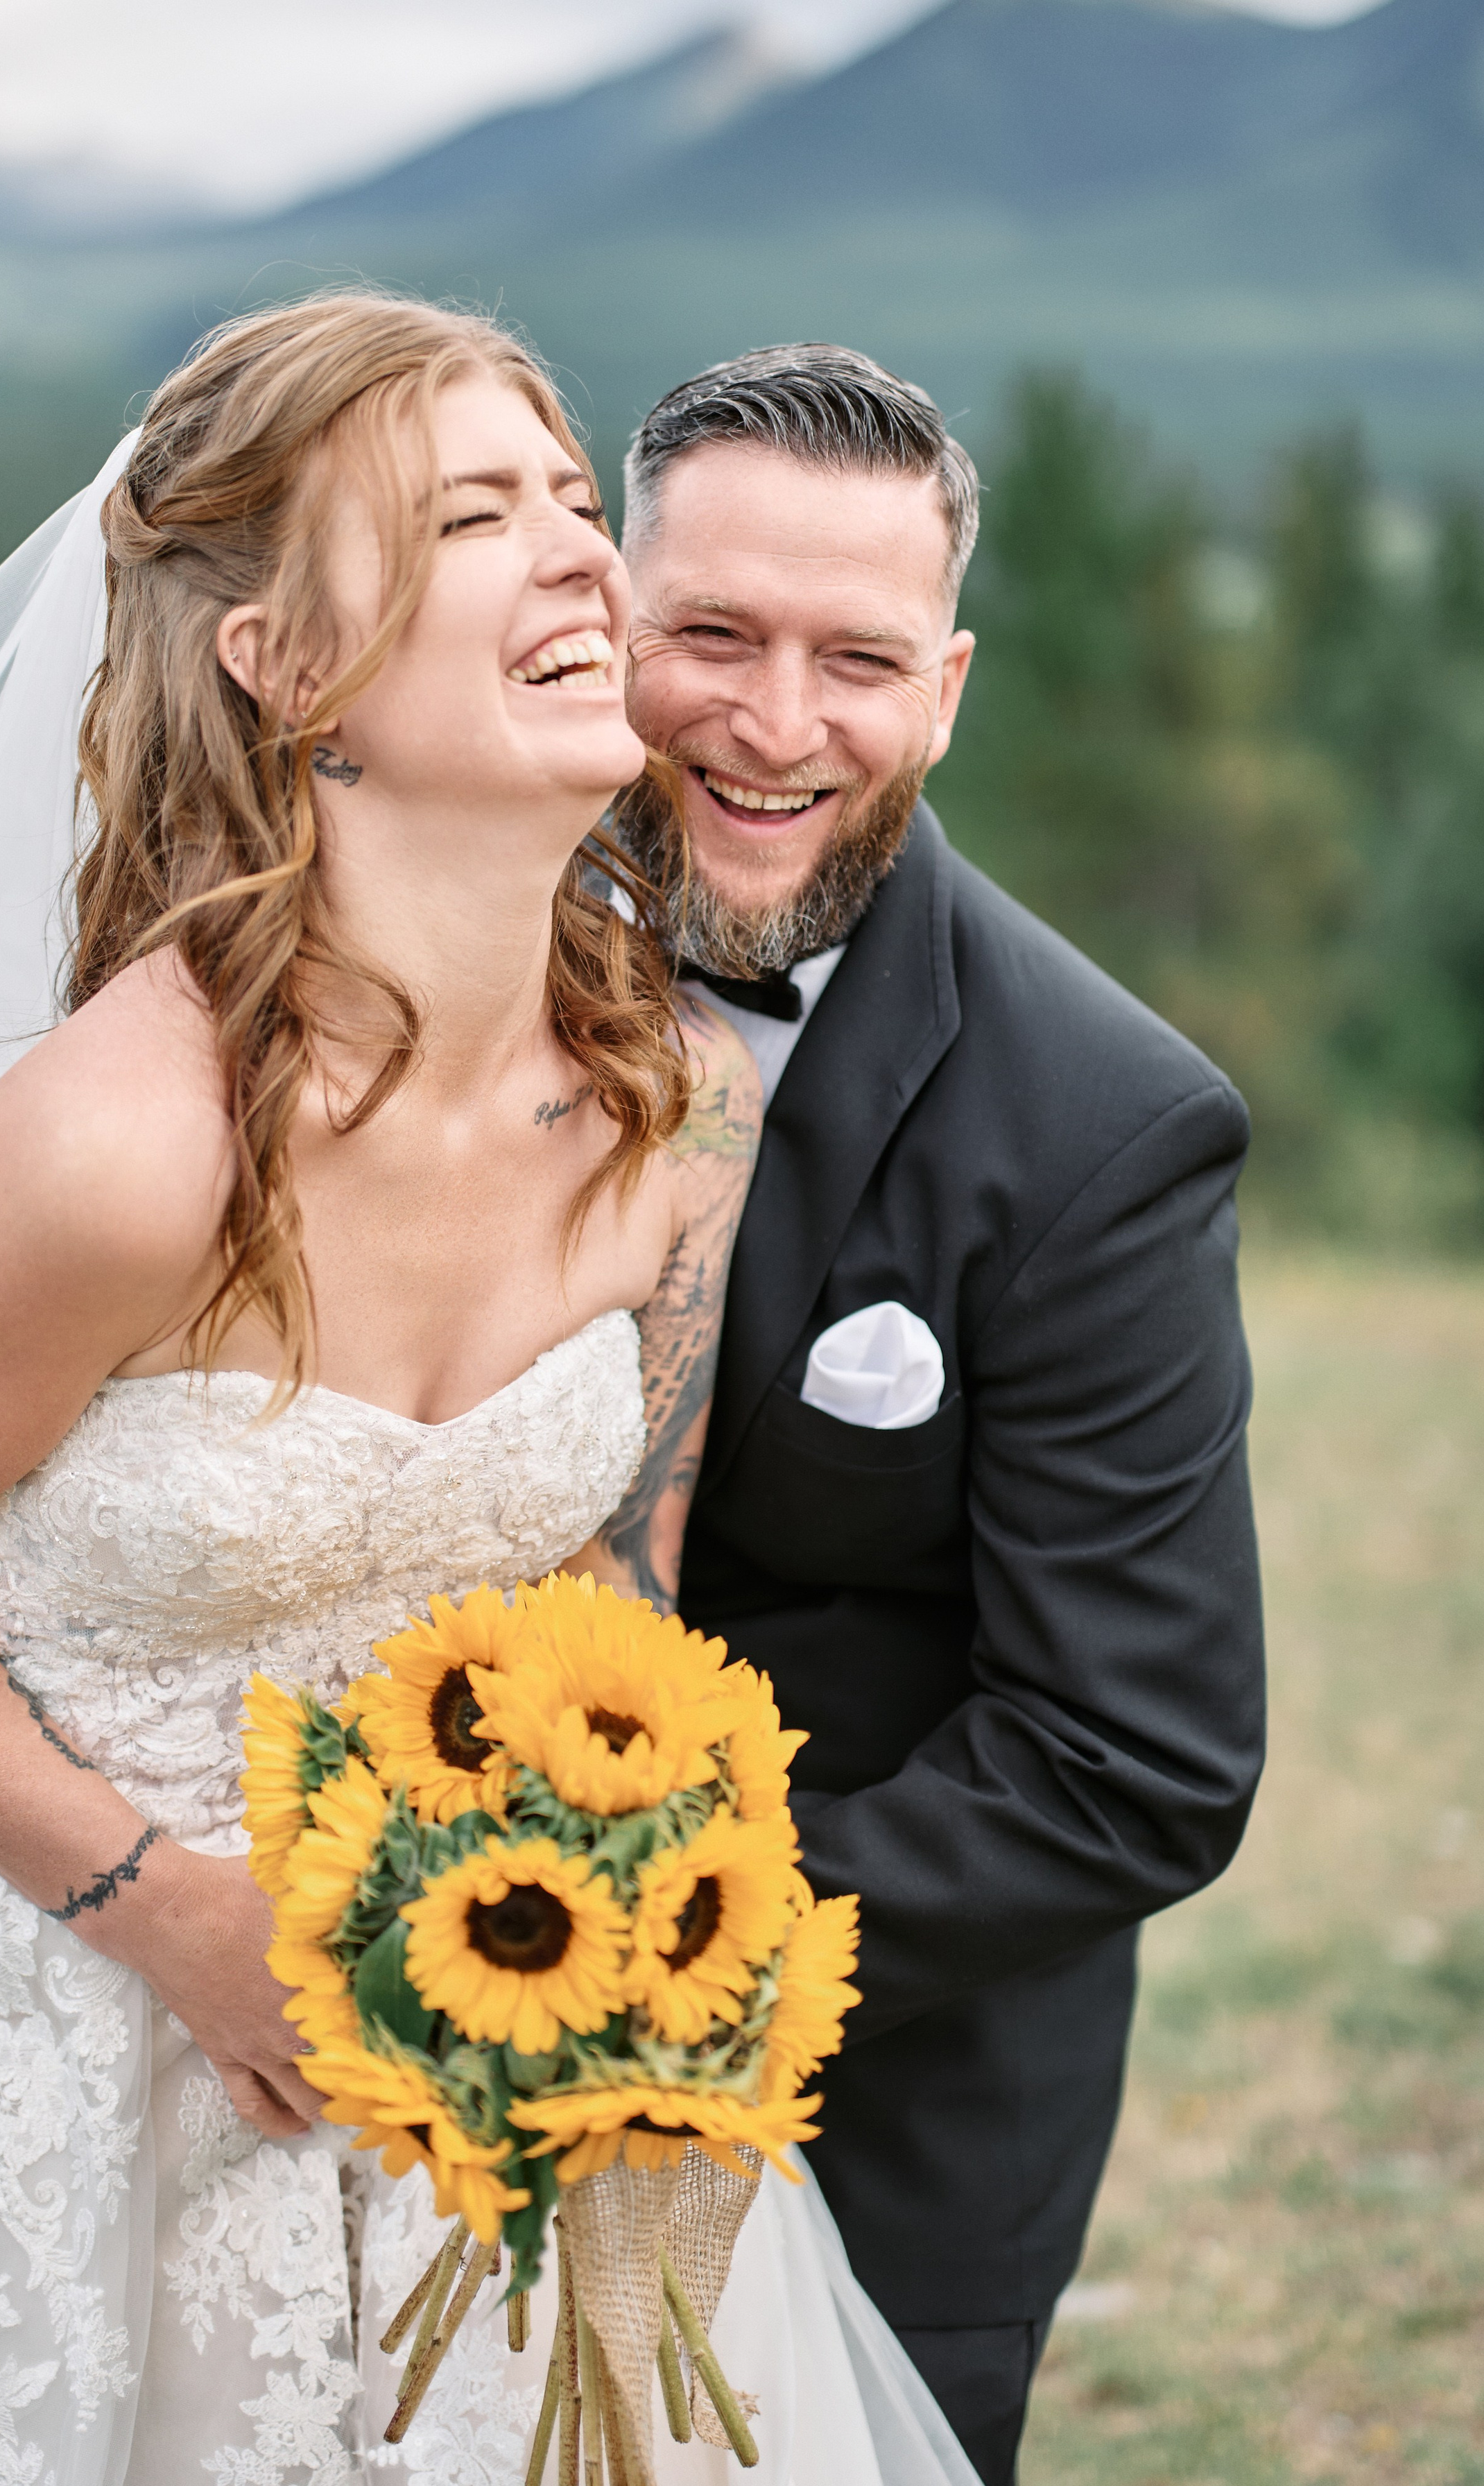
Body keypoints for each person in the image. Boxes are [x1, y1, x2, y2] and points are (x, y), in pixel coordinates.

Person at [0, 300, 979, 2486]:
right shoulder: (131, 1141)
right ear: (283, 667)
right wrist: (160, 1912)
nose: (583, 555)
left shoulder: (678, 1109)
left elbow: (606, 1574)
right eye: (475, 514)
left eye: (576, 499)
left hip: (483, 2080)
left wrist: (625, 1963)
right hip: (68, 2043)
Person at [614, 344, 1267, 2486]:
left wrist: (634, 1967)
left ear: (952, 685)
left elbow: (1135, 1761)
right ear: (603, 608)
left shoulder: (1106, 1128)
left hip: (866, 2120)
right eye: (711, 632)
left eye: (857, 659)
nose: (775, 724)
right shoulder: (412, 959)